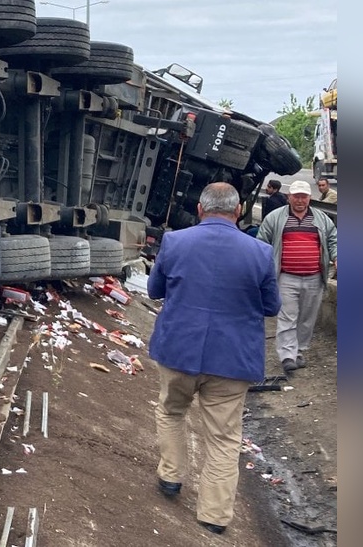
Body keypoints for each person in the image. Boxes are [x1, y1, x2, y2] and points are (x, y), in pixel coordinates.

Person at [147, 182, 281, 536]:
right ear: (238, 211)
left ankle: (171, 476)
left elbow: (154, 290)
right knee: (223, 437)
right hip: (232, 359)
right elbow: (272, 306)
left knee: (171, 411)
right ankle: (214, 516)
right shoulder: (260, 252)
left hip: (178, 350)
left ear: (200, 209)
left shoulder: (175, 242)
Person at [257, 179, 337, 373]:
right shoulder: (275, 218)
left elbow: (333, 239)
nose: (300, 200)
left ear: (309, 198)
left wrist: (337, 256)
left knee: (307, 318)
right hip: (286, 277)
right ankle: (287, 355)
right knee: (287, 316)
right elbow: (262, 242)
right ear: (289, 197)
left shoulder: (321, 218)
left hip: (314, 276)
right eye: (296, 196)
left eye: (304, 197)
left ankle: (299, 350)